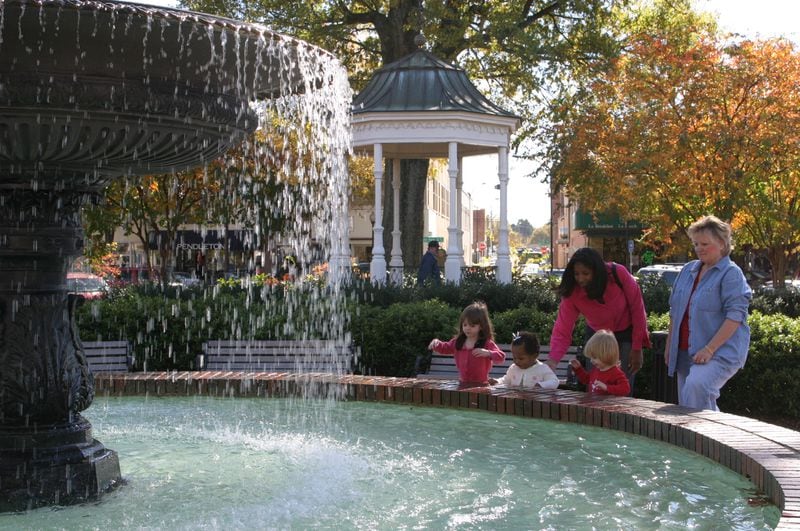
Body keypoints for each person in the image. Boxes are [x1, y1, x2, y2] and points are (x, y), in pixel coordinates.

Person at [664, 215, 752, 411]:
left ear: (722, 243)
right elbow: (675, 312)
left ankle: (700, 439)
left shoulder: (731, 273)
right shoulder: (687, 270)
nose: (699, 248)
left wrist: (709, 349)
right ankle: (706, 438)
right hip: (685, 350)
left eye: (705, 243)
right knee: (689, 404)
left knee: (697, 386)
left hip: (719, 353)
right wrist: (670, 344)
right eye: (696, 243)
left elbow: (735, 316)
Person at [548, 247, 650, 392]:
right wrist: (553, 361)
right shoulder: (572, 292)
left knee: (622, 386)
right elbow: (562, 329)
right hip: (598, 337)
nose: (580, 279)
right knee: (595, 384)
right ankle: (595, 412)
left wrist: (637, 347)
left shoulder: (617, 273)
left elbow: (637, 309)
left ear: (596, 271)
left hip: (626, 333)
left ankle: (620, 413)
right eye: (576, 274)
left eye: (585, 273)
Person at [428, 301, 505, 385]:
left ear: (481, 326)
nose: (468, 328)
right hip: (462, 383)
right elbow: (445, 348)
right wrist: (437, 343)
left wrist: (488, 353)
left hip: (482, 384)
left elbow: (501, 357)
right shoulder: (458, 342)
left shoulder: (486, 343)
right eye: (465, 325)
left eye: (472, 326)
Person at [569, 329, 631, 396]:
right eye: (591, 357)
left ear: (607, 354)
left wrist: (607, 387)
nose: (591, 360)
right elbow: (587, 380)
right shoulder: (596, 370)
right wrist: (578, 369)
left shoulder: (615, 373)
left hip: (608, 405)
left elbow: (626, 389)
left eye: (594, 357)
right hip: (594, 404)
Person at [489, 331, 559, 389]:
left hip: (535, 403)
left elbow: (554, 381)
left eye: (521, 358)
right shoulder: (513, 368)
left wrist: (541, 385)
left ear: (535, 355)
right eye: (514, 358)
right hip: (516, 402)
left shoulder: (542, 368)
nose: (516, 361)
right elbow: (506, 380)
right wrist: (497, 381)